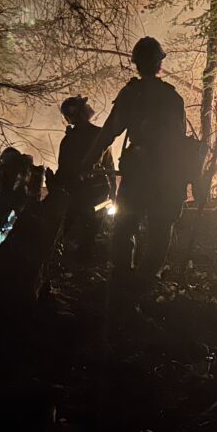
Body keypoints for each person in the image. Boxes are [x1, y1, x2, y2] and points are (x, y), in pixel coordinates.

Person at [83, 37, 187, 283]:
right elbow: (179, 141)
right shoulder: (172, 97)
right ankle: (147, 279)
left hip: (138, 172)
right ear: (159, 63)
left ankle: (122, 276)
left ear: (137, 64)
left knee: (125, 224)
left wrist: (89, 160)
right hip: (165, 173)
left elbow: (109, 131)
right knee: (160, 228)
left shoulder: (131, 94)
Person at [55, 95, 116, 260]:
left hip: (79, 191)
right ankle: (81, 258)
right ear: (81, 113)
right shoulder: (99, 135)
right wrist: (114, 191)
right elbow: (109, 166)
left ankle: (62, 258)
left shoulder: (68, 140)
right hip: (96, 190)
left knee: (70, 226)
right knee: (90, 229)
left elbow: (63, 170)